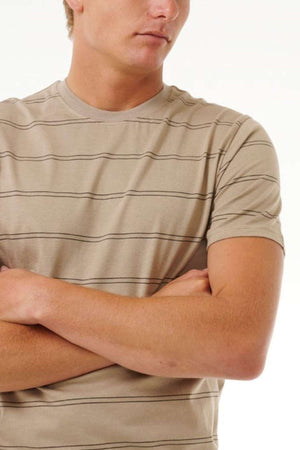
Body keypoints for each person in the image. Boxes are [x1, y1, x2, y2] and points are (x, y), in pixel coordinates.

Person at [0, 1, 285, 449]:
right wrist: (161, 319)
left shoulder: (231, 143)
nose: (167, 10)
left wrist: (39, 298)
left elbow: (238, 345)